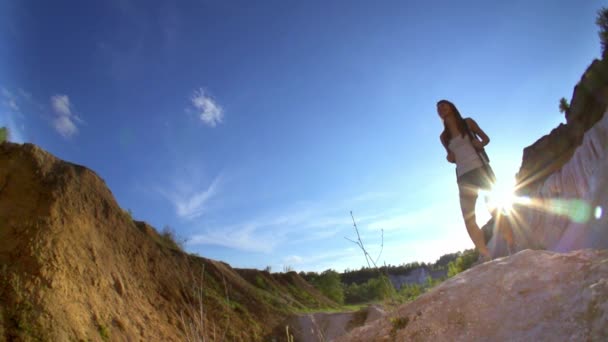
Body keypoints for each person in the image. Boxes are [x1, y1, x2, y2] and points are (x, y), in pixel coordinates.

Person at [437, 99, 496, 260]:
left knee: (495, 209)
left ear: (451, 107)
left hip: (480, 169)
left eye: (443, 105)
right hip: (463, 176)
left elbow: (486, 139)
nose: (440, 108)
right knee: (468, 218)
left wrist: (480, 143)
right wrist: (449, 157)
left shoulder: (468, 123)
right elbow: (452, 157)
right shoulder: (443, 137)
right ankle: (486, 255)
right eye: (438, 108)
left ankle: (512, 244)